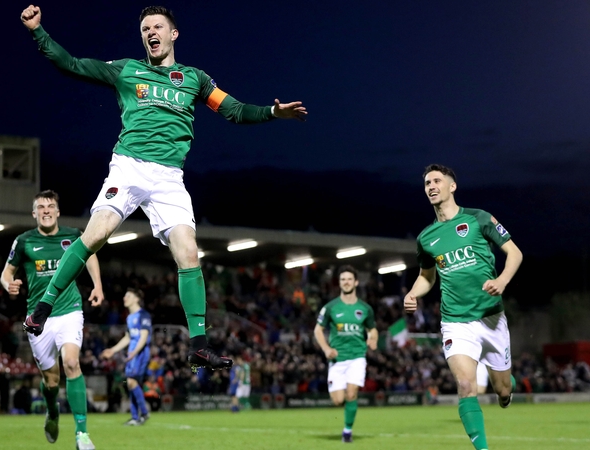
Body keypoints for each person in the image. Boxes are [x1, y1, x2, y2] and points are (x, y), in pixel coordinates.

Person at [19, 5, 307, 376]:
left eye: (157, 26)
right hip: (129, 166)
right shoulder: (126, 70)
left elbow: (234, 110)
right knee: (97, 232)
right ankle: (42, 308)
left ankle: (199, 347)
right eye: (144, 28)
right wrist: (37, 31)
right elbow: (70, 63)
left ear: (173, 34)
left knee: (189, 252)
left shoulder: (195, 79)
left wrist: (272, 112)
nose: (150, 32)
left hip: (170, 178)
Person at [404, 164, 523, 450]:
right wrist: (413, 293)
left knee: (502, 391)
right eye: (426, 183)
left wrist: (503, 280)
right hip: (456, 321)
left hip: (491, 317)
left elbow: (514, 253)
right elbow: (427, 276)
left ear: (452, 186)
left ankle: (507, 384)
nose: (431, 186)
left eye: (437, 181)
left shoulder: (478, 218)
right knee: (466, 386)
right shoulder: (426, 238)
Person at [1, 190, 104, 448]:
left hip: (69, 310)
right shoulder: (23, 241)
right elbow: (6, 273)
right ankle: (53, 411)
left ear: (57, 212)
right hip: (39, 318)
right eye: (40, 207)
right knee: (51, 381)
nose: (46, 210)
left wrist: (97, 285)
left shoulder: (73, 235)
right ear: (34, 213)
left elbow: (90, 254)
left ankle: (82, 433)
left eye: (50, 206)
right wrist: (8, 284)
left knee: (71, 363)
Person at [313, 265, 378, 443]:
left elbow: (373, 329)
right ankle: (346, 413)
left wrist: (373, 339)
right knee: (338, 400)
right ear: (339, 283)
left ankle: (347, 432)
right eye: (343, 279)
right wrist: (326, 349)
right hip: (337, 359)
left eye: (349, 279)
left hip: (357, 357)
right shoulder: (331, 307)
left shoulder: (365, 309)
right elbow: (318, 330)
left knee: (351, 394)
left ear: (356, 282)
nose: (346, 282)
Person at [100, 288, 152, 426]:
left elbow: (144, 336)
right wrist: (112, 350)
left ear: (136, 299)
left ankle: (144, 413)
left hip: (140, 353)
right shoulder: (129, 318)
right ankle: (135, 418)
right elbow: (128, 337)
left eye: (128, 295)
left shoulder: (143, 315)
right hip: (132, 352)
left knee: (131, 382)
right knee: (132, 384)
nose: (124, 298)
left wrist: (135, 352)